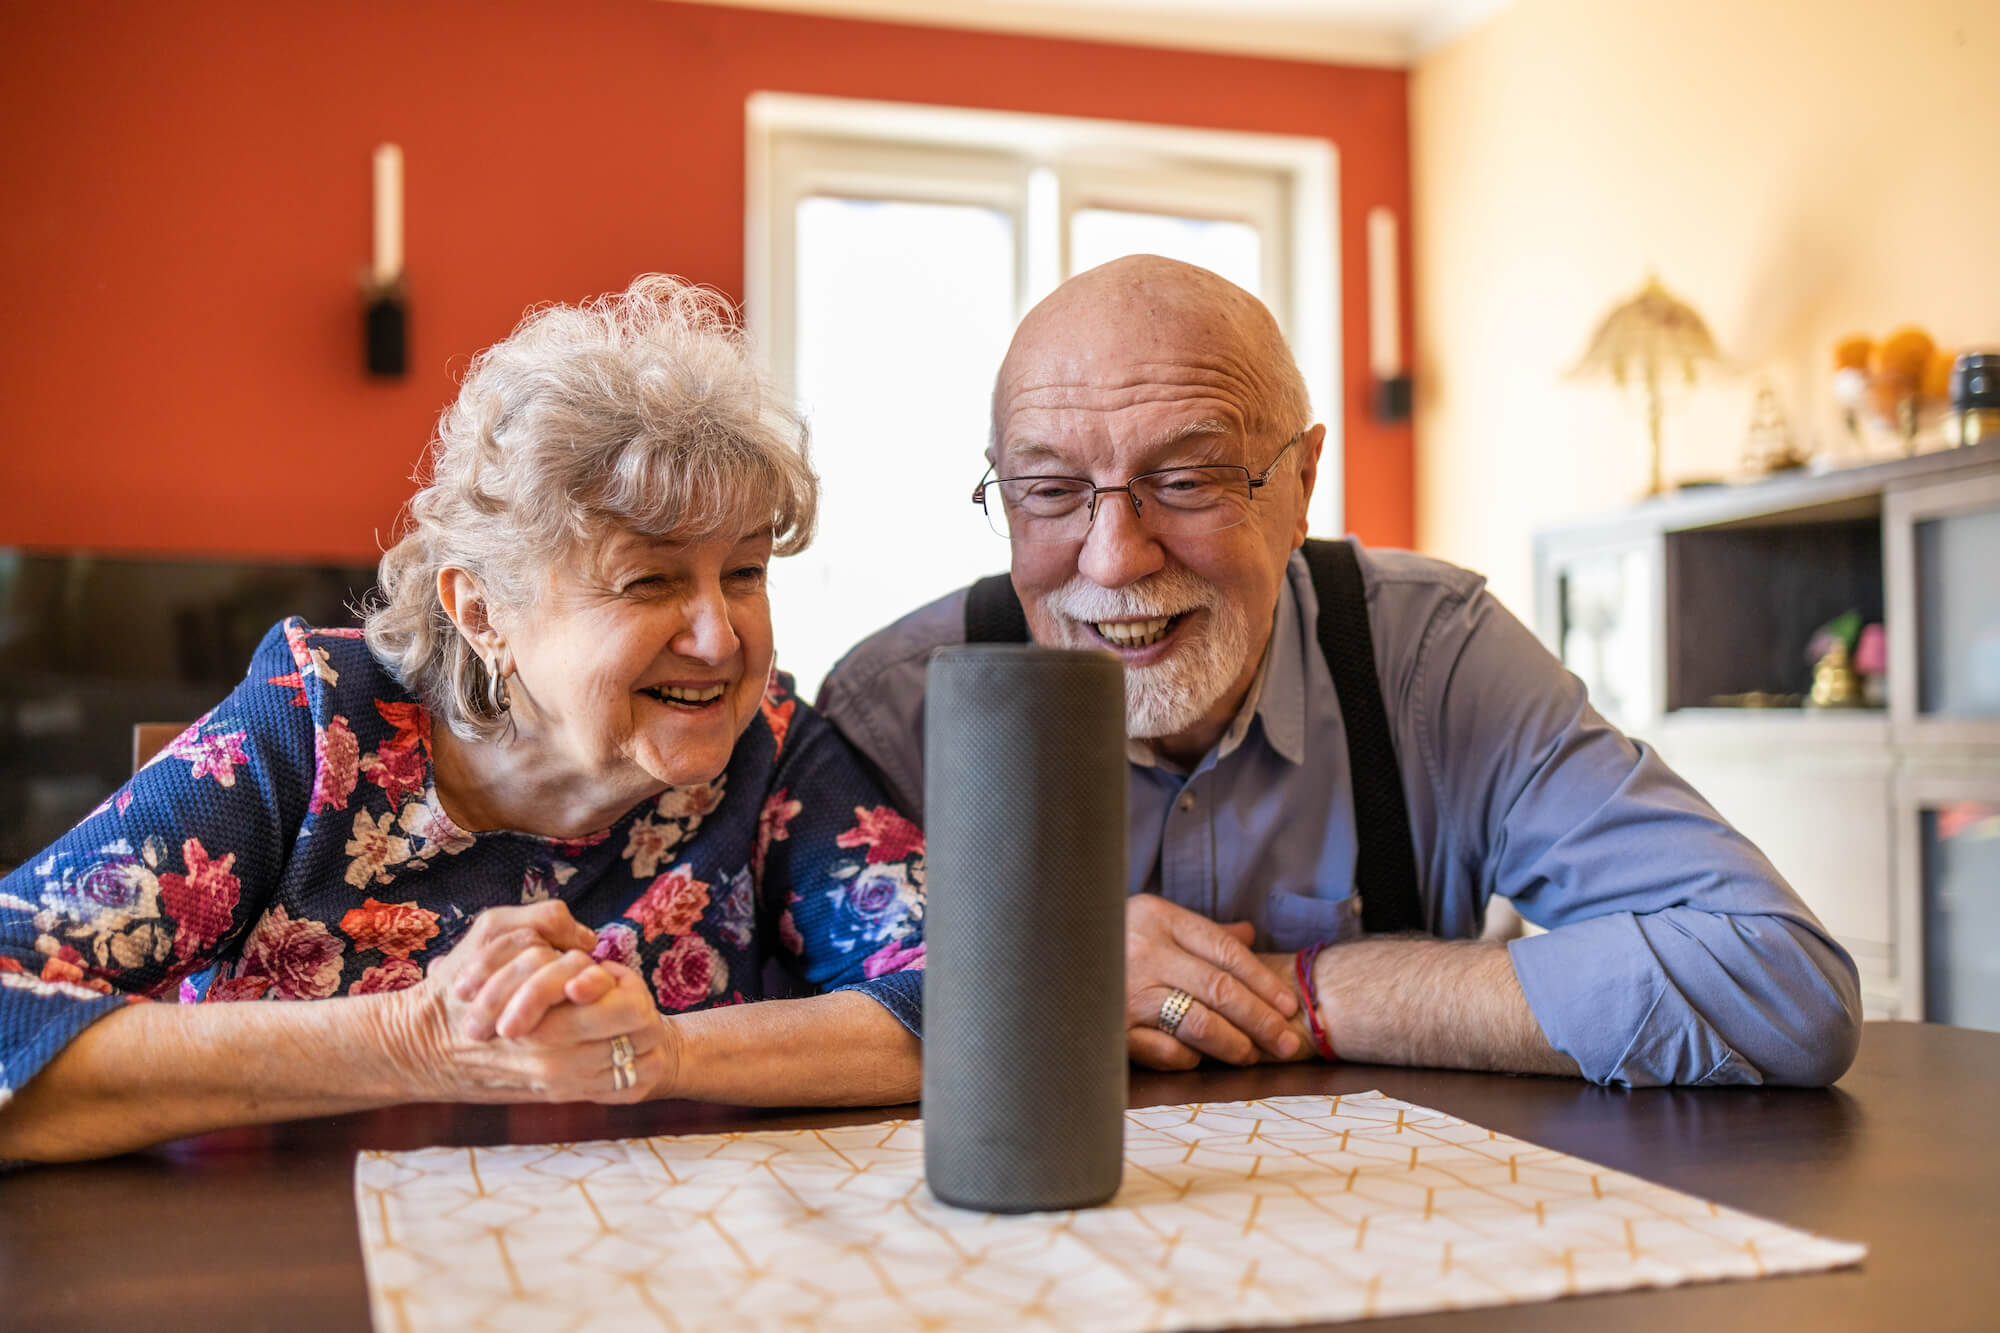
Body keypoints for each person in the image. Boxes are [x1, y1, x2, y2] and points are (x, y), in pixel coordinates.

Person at [819, 255, 1860, 1088]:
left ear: (1301, 481)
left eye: (1184, 480)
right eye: (1048, 491)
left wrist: (1301, 991)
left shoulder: (1431, 660)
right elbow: (782, 1034)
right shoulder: (893, 712)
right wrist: (1056, 968)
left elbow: (1777, 981)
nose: (1111, 557)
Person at [0, 276, 927, 1162]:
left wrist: (664, 1054)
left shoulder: (769, 748)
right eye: (649, 580)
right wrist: (417, 1037)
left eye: (744, 572)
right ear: (483, 612)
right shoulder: (318, 722)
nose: (721, 638)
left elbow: (974, 1000)